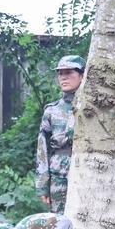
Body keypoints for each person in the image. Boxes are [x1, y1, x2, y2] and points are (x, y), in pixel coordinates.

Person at [35, 55, 85, 214]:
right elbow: (42, 149)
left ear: (82, 75)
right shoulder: (52, 111)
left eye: (69, 72)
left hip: (87, 173)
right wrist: (42, 185)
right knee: (60, 222)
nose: (63, 77)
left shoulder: (92, 108)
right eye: (60, 73)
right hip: (59, 177)